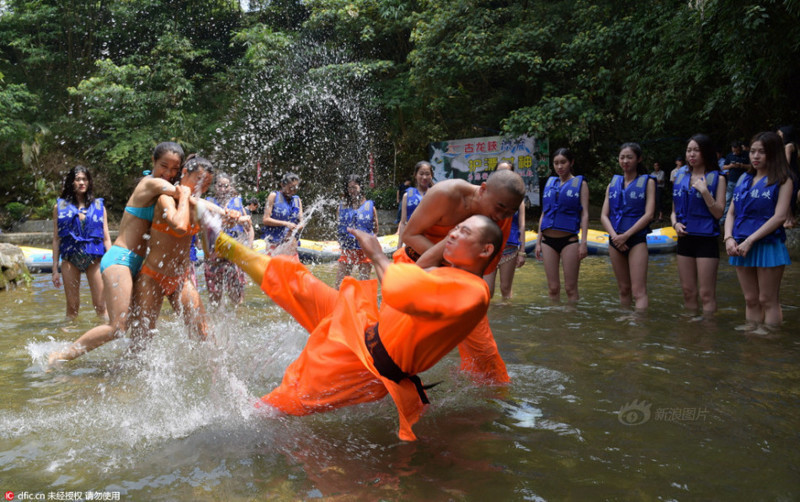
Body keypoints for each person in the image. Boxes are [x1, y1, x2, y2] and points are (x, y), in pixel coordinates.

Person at [196, 201, 503, 441]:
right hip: (365, 325)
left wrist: (376, 255)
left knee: (281, 404)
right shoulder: (451, 275)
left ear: (485, 250)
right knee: (297, 284)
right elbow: (415, 275)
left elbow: (400, 292)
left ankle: (219, 424)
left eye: (464, 233)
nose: (452, 233)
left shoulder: (474, 293)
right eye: (456, 227)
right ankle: (223, 245)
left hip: (362, 365)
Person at [48, 142, 185, 365]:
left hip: (137, 263)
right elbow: (183, 193)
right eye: (164, 166)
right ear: (153, 162)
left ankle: (129, 370)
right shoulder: (152, 183)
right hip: (121, 258)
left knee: (141, 326)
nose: (169, 173)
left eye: (174, 169)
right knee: (117, 327)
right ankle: (61, 356)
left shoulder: (162, 191)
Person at [395, 169, 525, 384]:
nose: (501, 216)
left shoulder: (499, 219)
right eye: (500, 207)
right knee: (395, 344)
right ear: (483, 189)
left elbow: (482, 269)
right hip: (415, 264)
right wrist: (450, 253)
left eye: (509, 212)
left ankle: (494, 394)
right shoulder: (446, 194)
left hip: (459, 278)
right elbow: (410, 234)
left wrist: (476, 303)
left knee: (485, 353)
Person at [130, 156, 220, 344]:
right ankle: (116, 373)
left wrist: (229, 217)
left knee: (205, 334)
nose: (201, 188)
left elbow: (209, 247)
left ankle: (214, 372)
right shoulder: (166, 199)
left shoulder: (198, 206)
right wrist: (186, 196)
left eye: (207, 185)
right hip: (153, 277)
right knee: (142, 341)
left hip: (180, 279)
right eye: (199, 180)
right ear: (185, 173)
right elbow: (179, 225)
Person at [724, 131, 793, 327]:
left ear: (773, 153)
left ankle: (770, 341)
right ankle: (752, 340)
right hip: (739, 243)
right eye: (753, 151)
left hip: (767, 244)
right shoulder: (743, 179)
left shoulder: (783, 180)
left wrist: (751, 240)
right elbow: (731, 213)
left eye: (761, 152)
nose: (755, 156)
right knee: (751, 299)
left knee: (767, 300)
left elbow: (779, 216)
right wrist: (728, 237)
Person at [670, 134, 727, 315]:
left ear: (706, 152)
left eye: (696, 150)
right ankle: (691, 332)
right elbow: (673, 211)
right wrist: (675, 224)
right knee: (688, 292)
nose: (692, 154)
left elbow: (718, 212)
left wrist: (704, 191)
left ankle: (707, 335)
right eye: (689, 150)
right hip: (685, 237)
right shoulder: (680, 177)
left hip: (706, 239)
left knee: (706, 293)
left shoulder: (718, 178)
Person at [600, 142, 656, 311]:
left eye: (629, 157)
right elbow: (604, 215)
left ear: (638, 159)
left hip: (636, 240)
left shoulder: (648, 182)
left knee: (638, 291)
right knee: (624, 289)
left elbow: (649, 215)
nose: (625, 161)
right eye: (622, 157)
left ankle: (639, 327)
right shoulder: (612, 184)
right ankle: (624, 326)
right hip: (615, 240)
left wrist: (626, 236)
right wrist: (615, 236)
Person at [51, 165, 112, 320]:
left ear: (89, 182)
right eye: (78, 179)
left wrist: (111, 264)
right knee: (72, 307)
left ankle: (108, 336)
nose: (82, 182)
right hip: (70, 259)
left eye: (84, 179)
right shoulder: (59, 207)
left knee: (101, 306)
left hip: (94, 259)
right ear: (71, 182)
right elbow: (56, 239)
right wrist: (54, 270)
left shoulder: (99, 207)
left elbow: (106, 237)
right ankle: (68, 340)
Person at [534, 149, 589, 303]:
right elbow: (544, 213)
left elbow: (585, 214)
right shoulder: (550, 183)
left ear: (571, 163)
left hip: (569, 240)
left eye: (563, 162)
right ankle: (554, 323)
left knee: (570, 288)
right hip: (547, 241)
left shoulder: (581, 184)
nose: (559, 166)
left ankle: (571, 323)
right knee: (552, 288)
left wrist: (583, 243)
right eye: (556, 163)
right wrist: (538, 242)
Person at [204, 172, 252, 306]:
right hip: (214, 255)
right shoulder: (208, 202)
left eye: (226, 186)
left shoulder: (237, 202)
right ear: (215, 187)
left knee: (237, 297)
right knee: (215, 297)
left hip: (234, 253)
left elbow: (248, 224)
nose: (223, 189)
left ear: (231, 187)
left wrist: (249, 245)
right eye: (220, 186)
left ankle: (236, 322)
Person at [484, 161, 527, 300]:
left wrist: (522, 252)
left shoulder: (519, 201)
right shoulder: (487, 196)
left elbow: (522, 225)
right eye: (499, 172)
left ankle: (507, 316)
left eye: (507, 172)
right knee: (487, 289)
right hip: (490, 247)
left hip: (509, 246)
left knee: (505, 288)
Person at [335, 174, 379, 288]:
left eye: (354, 187)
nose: (352, 190)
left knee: (364, 284)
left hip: (364, 249)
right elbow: (338, 228)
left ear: (360, 187)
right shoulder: (341, 208)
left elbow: (375, 229)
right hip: (347, 249)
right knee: (339, 284)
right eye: (349, 188)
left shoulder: (370, 207)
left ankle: (364, 304)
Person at [262, 172, 303, 256]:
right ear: (282, 185)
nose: (293, 191)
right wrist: (286, 224)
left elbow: (302, 221)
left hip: (291, 244)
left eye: (295, 188)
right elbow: (265, 219)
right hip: (274, 244)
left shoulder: (297, 199)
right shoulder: (273, 196)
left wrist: (296, 228)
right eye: (290, 188)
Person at [397, 161, 433, 248]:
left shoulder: (435, 194)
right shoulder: (407, 195)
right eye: (421, 174)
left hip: (430, 241)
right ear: (415, 175)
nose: (424, 177)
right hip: (411, 242)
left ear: (431, 176)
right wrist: (399, 246)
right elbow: (403, 223)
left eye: (427, 174)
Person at [720, 141, 751, 227]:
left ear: (740, 148)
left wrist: (741, 165)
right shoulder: (729, 156)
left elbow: (751, 166)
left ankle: (741, 218)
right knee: (728, 200)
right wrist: (731, 166)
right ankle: (723, 219)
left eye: (737, 150)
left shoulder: (746, 155)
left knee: (743, 200)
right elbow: (724, 167)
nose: (735, 152)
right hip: (732, 181)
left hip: (744, 181)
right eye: (734, 150)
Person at [777, 125, 799, 227]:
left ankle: (788, 220)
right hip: (795, 172)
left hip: (788, 173)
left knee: (787, 196)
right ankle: (792, 219)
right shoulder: (794, 145)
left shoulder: (787, 146)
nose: (779, 134)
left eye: (781, 133)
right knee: (791, 196)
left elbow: (786, 161)